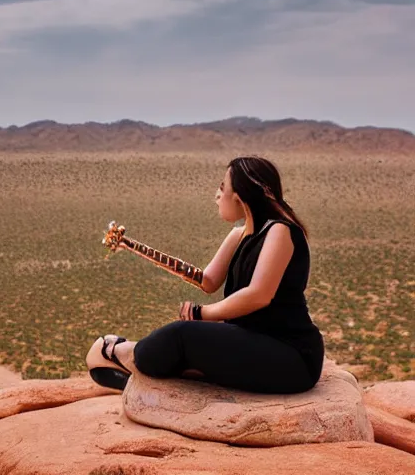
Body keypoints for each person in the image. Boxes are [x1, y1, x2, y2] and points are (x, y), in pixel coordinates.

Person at [86, 156, 325, 394]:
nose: (217, 195)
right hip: (255, 340)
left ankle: (116, 351)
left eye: (222, 188)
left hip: (291, 355)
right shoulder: (240, 235)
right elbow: (208, 281)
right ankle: (144, 366)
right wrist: (135, 247)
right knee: (189, 344)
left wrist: (202, 313)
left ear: (240, 197)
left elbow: (258, 295)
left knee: (180, 334)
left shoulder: (279, 230)